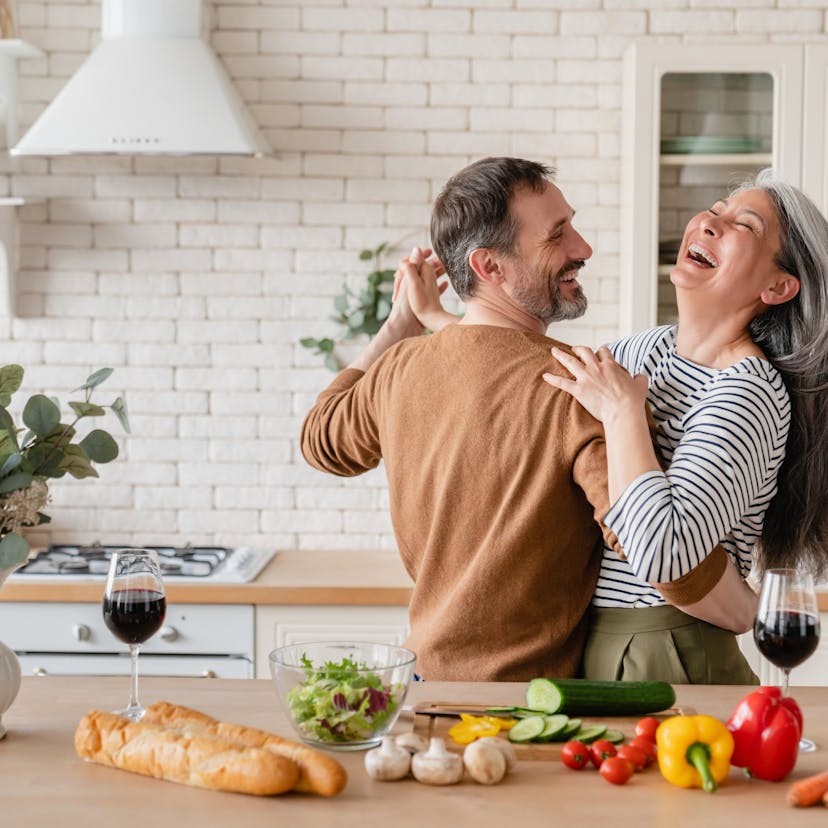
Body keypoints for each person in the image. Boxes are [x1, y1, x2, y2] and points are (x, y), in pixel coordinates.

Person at [301, 157, 729, 681]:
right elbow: (664, 557)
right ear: (490, 267)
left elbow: (320, 440)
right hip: (524, 711)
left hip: (420, 689)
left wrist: (397, 327)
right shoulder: (575, 388)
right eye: (556, 236)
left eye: (571, 223)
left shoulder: (399, 369)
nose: (583, 248)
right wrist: (756, 610)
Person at [539, 169, 828, 683]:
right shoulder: (643, 349)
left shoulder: (749, 392)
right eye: (714, 210)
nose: (709, 224)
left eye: (745, 225)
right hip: (595, 638)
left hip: (671, 648)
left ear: (778, 286)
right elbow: (543, 393)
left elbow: (666, 554)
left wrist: (626, 414)